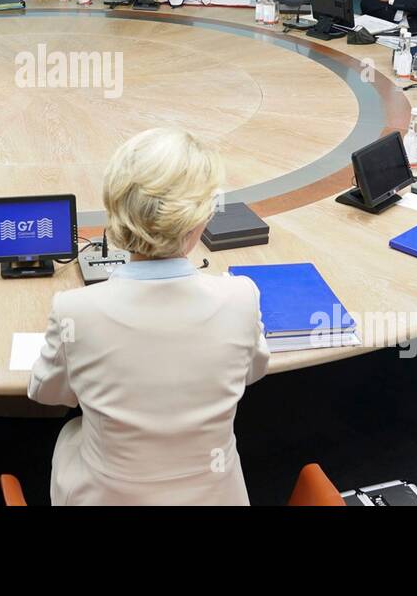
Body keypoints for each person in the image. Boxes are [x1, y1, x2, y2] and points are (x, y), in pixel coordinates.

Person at [28, 128, 270, 505]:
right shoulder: (242, 295)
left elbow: (46, 392)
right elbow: (252, 371)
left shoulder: (74, 310)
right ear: (199, 219)